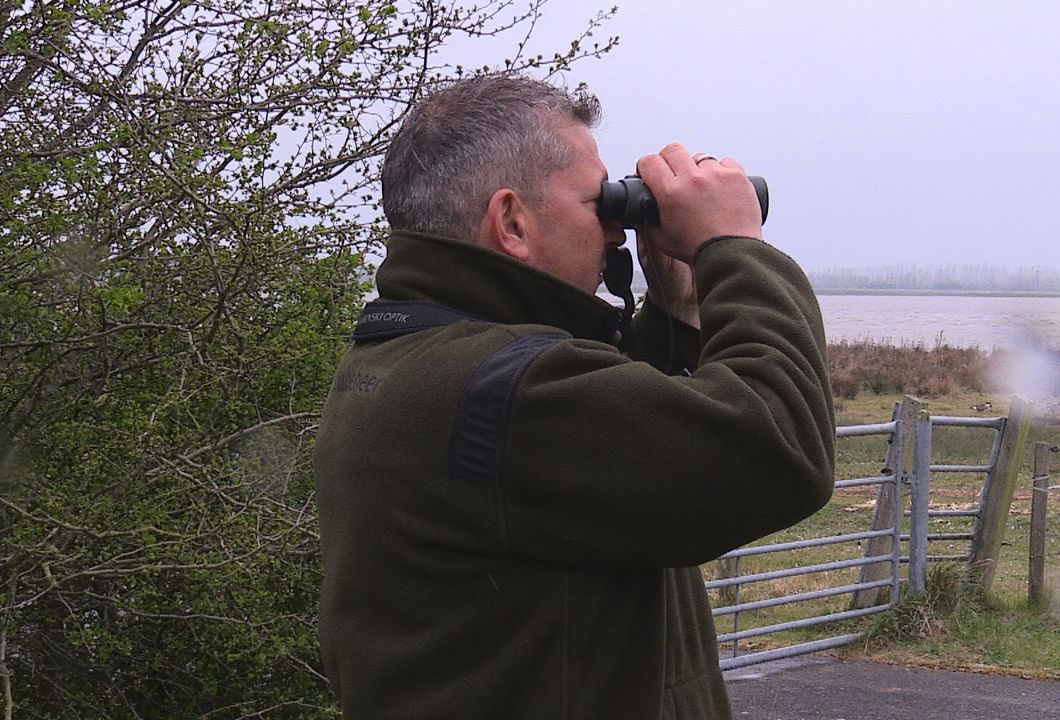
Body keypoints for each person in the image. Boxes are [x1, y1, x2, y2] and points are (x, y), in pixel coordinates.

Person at [313, 74, 835, 720]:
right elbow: (778, 443)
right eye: (601, 204)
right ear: (511, 221)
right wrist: (731, 245)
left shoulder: (412, 360)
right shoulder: (501, 392)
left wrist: (675, 317)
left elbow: (600, 459)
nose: (618, 231)